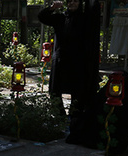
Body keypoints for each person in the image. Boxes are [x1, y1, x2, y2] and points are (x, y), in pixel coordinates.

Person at [38, 0, 101, 144]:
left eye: (75, 1)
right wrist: (53, 8)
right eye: (70, 1)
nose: (72, 3)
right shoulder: (61, 18)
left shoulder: (85, 18)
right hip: (61, 60)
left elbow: (95, 12)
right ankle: (60, 118)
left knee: (77, 93)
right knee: (54, 91)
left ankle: (74, 120)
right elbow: (42, 17)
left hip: (78, 62)